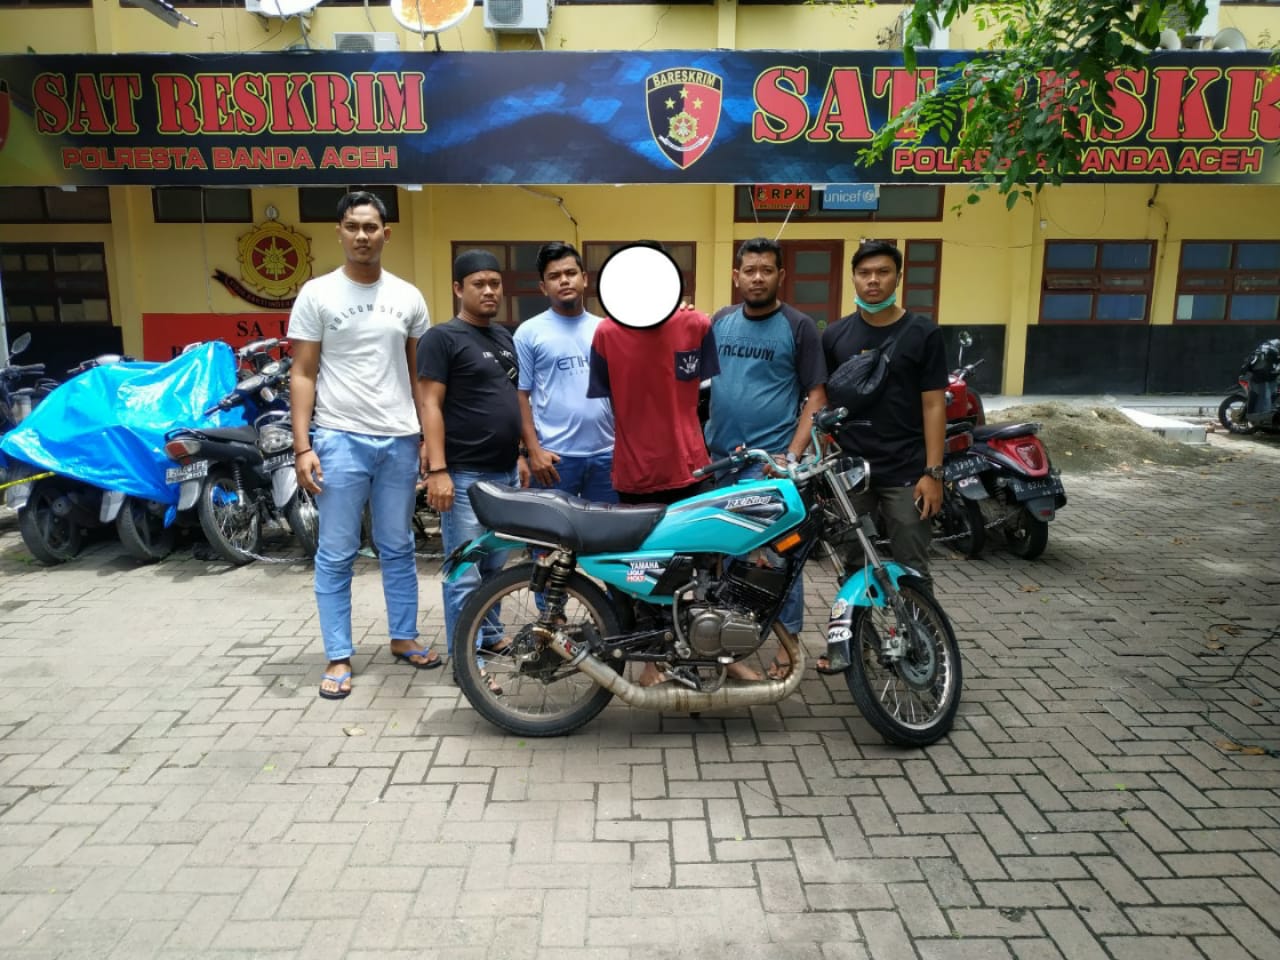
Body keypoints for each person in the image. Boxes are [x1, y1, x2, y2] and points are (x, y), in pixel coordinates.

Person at [289, 190, 434, 701]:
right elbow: (303, 372)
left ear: (386, 234)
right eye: (352, 226)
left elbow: (420, 376)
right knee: (336, 551)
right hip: (339, 438)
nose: (362, 236)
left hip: (399, 439)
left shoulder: (408, 297)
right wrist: (303, 446)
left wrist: (426, 440)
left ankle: (404, 637)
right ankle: (338, 654)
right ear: (339, 233)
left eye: (371, 227)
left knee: (399, 545)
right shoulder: (317, 294)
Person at [819, 239, 947, 670]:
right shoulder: (835, 335)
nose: (873, 281)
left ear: (898, 277)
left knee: (912, 565)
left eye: (882, 272)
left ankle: (925, 649)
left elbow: (934, 405)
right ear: (853, 278)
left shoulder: (923, 333)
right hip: (850, 473)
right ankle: (859, 648)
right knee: (854, 565)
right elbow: (824, 402)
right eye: (864, 273)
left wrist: (933, 472)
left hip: (907, 471)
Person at [704, 237, 828, 680]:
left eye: (766, 270)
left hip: (768, 465)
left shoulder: (798, 327)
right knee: (721, 557)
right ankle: (725, 643)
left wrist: (791, 457)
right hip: (720, 462)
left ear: (781, 276)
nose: (757, 278)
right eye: (749, 270)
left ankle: (788, 645)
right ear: (736, 276)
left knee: (777, 559)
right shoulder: (719, 321)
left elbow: (817, 397)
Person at [417, 250, 529, 692]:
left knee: (496, 566)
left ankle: (491, 635)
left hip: (505, 472)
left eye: (495, 283)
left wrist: (520, 454)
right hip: (463, 475)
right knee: (464, 574)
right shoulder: (441, 338)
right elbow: (430, 404)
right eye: (478, 284)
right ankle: (466, 662)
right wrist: (438, 470)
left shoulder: (503, 336)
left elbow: (510, 400)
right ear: (457, 288)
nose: (489, 291)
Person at [514, 242, 616, 502]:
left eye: (570, 273)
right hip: (555, 458)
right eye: (554, 276)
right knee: (549, 528)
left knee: (608, 527)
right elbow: (520, 395)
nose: (564, 281)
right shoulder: (529, 333)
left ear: (584, 278)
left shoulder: (606, 329)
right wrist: (533, 451)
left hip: (607, 455)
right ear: (543, 287)